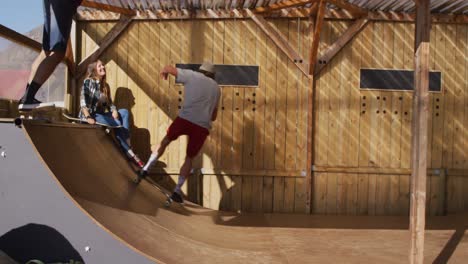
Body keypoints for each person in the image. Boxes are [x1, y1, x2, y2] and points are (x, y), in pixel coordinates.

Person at [137, 62, 221, 204]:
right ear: (213, 75)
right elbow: (213, 116)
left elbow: (168, 68)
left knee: (165, 141)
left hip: (185, 119)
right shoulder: (217, 89)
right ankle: (177, 191)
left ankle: (145, 169)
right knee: (189, 158)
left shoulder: (192, 75)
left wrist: (164, 71)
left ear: (200, 71)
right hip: (201, 126)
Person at [18, 0, 83, 110]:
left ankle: (27, 97)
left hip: (53, 3)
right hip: (64, 4)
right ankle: (28, 98)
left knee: (46, 51)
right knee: (57, 53)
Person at [79, 60, 144, 168]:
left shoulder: (104, 86)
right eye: (99, 66)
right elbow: (83, 103)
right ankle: (130, 154)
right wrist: (88, 117)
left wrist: (113, 110)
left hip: (100, 115)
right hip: (91, 116)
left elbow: (107, 104)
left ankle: (127, 146)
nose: (102, 67)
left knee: (124, 112)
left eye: (102, 65)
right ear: (94, 69)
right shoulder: (88, 82)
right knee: (117, 123)